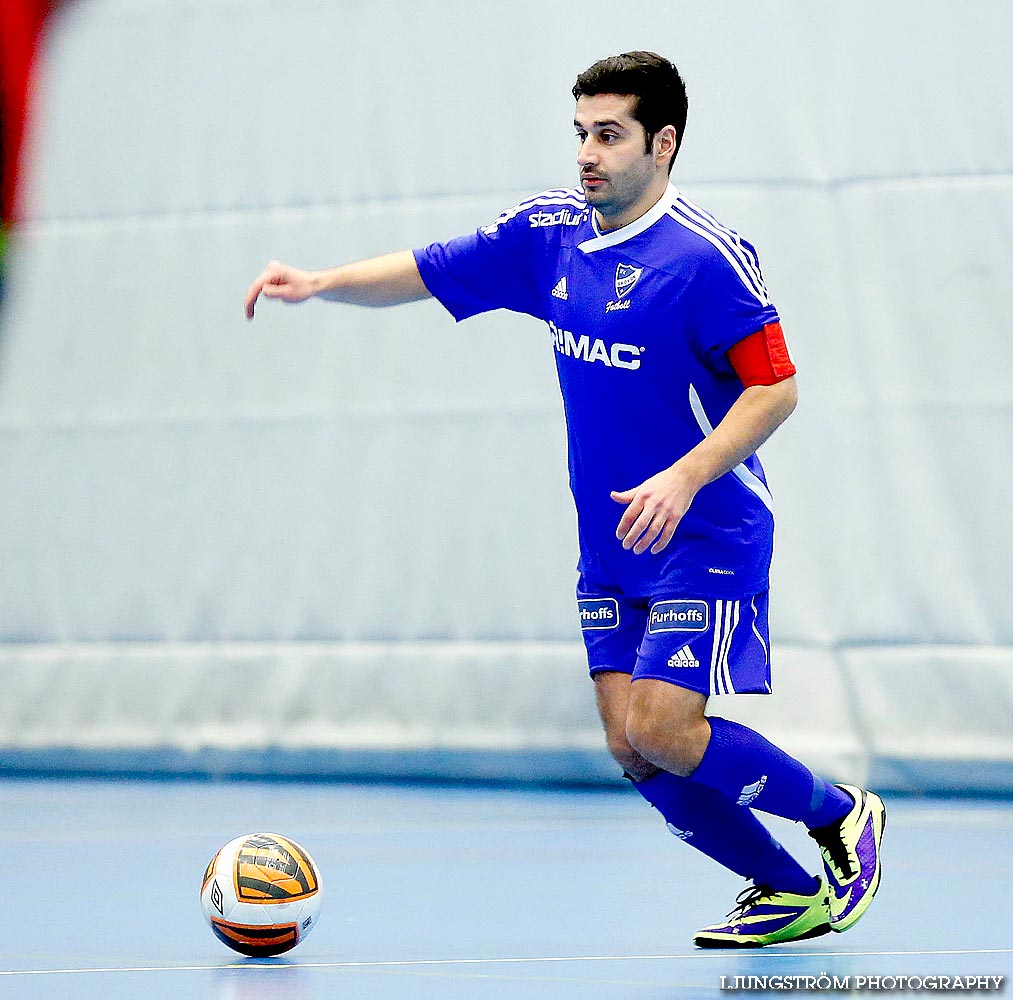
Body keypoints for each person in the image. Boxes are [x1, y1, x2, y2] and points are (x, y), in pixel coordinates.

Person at [244, 50, 886, 949]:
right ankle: (784, 887)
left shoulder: (705, 259)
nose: (587, 152)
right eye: (580, 132)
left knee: (664, 727)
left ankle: (837, 815)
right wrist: (320, 284)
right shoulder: (549, 234)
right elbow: (429, 269)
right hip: (609, 537)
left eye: (609, 135)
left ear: (662, 143)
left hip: (705, 526)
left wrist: (686, 472)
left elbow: (774, 389)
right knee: (628, 745)